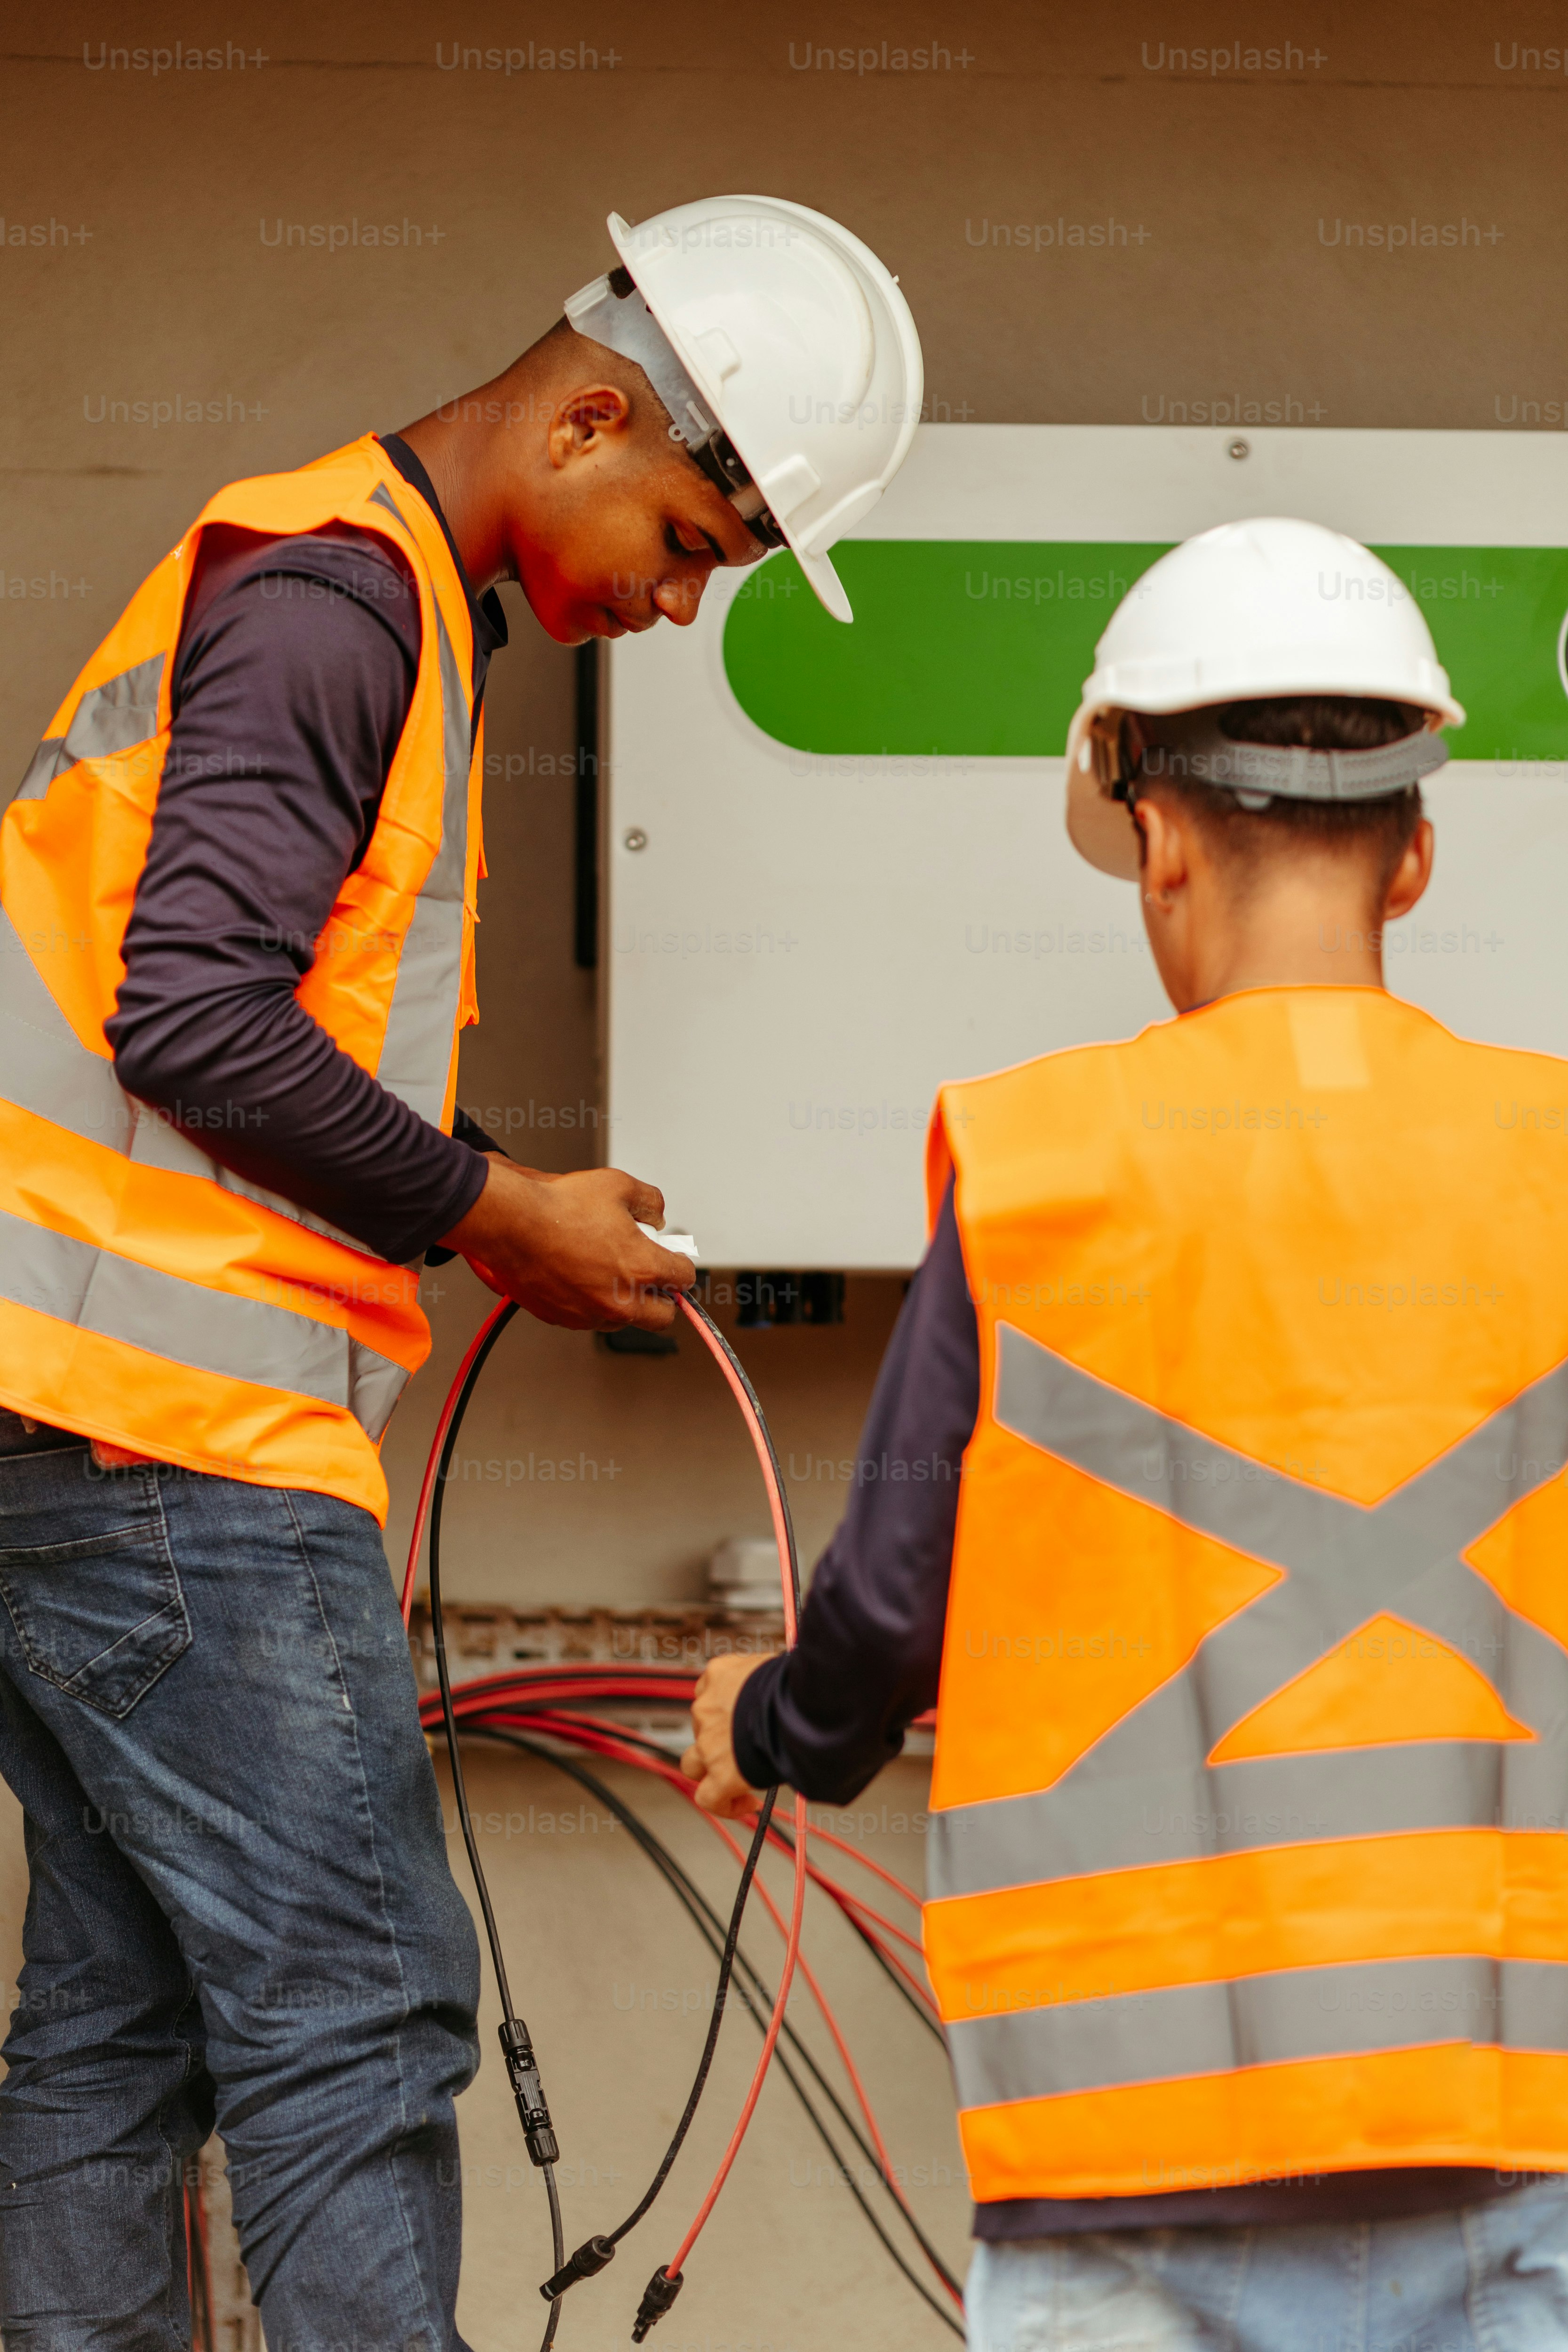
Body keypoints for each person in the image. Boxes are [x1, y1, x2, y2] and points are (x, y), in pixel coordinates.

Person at [0, 195, 921, 2349]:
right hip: (178, 1454)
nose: (685, 604)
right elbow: (196, 1022)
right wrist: (497, 1216)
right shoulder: (341, 603)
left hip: (75, 1430)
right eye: (697, 541)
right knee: (357, 2002)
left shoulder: (351, 584)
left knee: (116, 2027)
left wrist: (512, 1192)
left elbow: (247, 1037)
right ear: (596, 413)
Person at [684, 516, 1568, 2351]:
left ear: (1154, 833)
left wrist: (772, 1724)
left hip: (1124, 2158)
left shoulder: (1041, 1169)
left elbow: (885, 1608)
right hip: (1517, 2134)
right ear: (1416, 853)